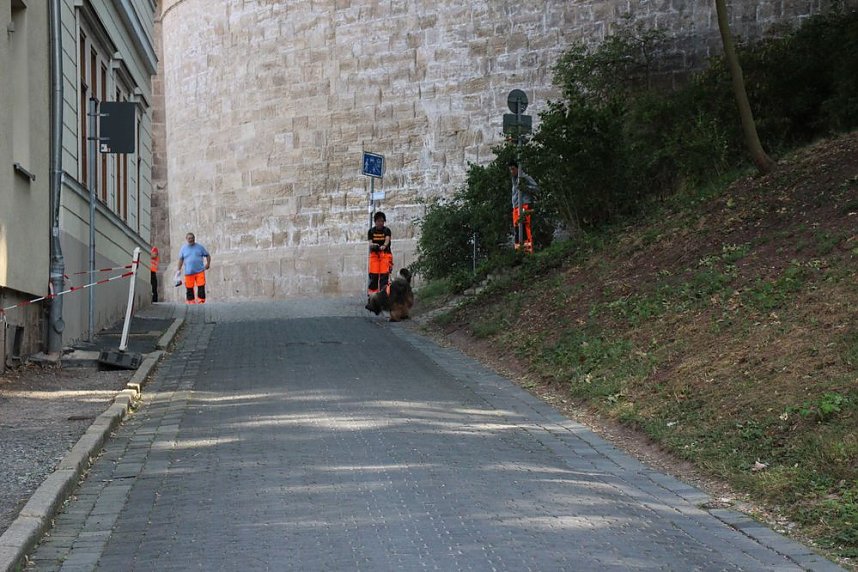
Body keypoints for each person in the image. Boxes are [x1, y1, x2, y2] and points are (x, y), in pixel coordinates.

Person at [508, 159, 538, 254]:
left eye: (513, 169)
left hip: (524, 205)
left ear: (518, 168)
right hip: (516, 207)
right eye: (510, 170)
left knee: (525, 228)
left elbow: (536, 188)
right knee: (517, 229)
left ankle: (527, 252)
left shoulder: (524, 177)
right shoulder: (514, 180)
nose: (512, 171)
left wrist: (525, 187)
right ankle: (519, 252)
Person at [177, 232, 211, 304]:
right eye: (189, 238)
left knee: (201, 286)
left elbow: (207, 255)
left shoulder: (200, 247)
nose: (191, 239)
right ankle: (190, 301)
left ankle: (201, 301)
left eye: (192, 238)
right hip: (189, 272)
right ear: (186, 239)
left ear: (194, 238)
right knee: (189, 288)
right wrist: (178, 269)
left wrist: (208, 264)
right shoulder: (183, 248)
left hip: (200, 271)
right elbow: (181, 259)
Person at [367, 211, 392, 296]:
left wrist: (384, 246)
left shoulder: (387, 230)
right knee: (373, 276)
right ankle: (372, 296)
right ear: (375, 221)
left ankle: (383, 295)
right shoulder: (371, 231)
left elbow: (387, 240)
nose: (380, 223)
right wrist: (374, 245)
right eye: (378, 221)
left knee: (384, 276)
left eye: (382, 221)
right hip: (374, 255)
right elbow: (370, 243)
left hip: (385, 255)